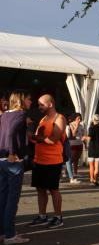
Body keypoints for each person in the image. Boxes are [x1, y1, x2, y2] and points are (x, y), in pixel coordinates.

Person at [28, 94, 67, 229]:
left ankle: (58, 217)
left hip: (53, 161)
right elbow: (38, 138)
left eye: (41, 104)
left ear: (50, 104)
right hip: (39, 160)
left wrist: (33, 136)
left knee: (53, 189)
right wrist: (33, 136)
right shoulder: (44, 119)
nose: (39, 107)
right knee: (40, 189)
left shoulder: (59, 118)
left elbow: (53, 139)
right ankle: (42, 216)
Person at [0, 90, 32, 244]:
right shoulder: (20, 115)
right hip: (13, 161)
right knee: (12, 199)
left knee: (3, 197)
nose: (30, 102)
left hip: (2, 159)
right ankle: (10, 235)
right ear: (21, 99)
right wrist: (12, 152)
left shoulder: (4, 114)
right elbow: (11, 133)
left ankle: (3, 232)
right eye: (28, 99)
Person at [86, 114, 99, 185]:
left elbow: (89, 138)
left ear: (93, 120)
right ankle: (95, 180)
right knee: (97, 166)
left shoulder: (91, 128)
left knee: (91, 166)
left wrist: (84, 138)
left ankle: (92, 178)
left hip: (92, 149)